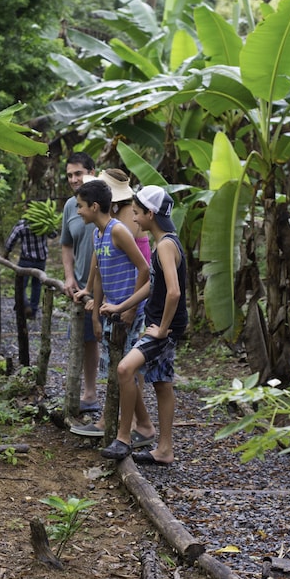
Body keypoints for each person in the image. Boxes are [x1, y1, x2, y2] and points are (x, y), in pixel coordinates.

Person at [99, 186, 187, 465]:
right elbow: (153, 285)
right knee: (162, 383)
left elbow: (173, 292)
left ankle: (123, 438)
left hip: (164, 328)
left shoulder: (165, 246)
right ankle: (164, 450)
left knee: (125, 369)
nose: (134, 218)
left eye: (137, 212)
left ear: (151, 214)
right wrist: (121, 306)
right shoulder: (167, 242)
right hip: (164, 324)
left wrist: (161, 328)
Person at [69, 179, 155, 447]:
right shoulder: (98, 234)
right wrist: (95, 315)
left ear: (95, 206)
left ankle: (136, 426)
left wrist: (130, 308)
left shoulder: (118, 231)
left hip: (127, 312)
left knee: (124, 371)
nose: (78, 211)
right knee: (116, 371)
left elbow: (144, 268)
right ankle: (124, 423)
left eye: (81, 206)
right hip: (111, 312)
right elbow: (99, 276)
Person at [60, 152, 102, 413]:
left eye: (78, 173)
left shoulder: (108, 201)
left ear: (92, 172)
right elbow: (66, 244)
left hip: (110, 286)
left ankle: (130, 413)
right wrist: (69, 276)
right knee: (87, 339)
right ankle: (90, 392)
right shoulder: (70, 206)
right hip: (83, 287)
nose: (74, 179)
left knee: (116, 341)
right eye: (69, 175)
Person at [3, 211, 52, 319]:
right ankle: (33, 311)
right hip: (40, 260)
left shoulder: (22, 225)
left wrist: (6, 254)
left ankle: (25, 305)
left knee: (21, 285)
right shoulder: (44, 223)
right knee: (36, 285)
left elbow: (11, 241)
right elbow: (53, 235)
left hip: (26, 260)